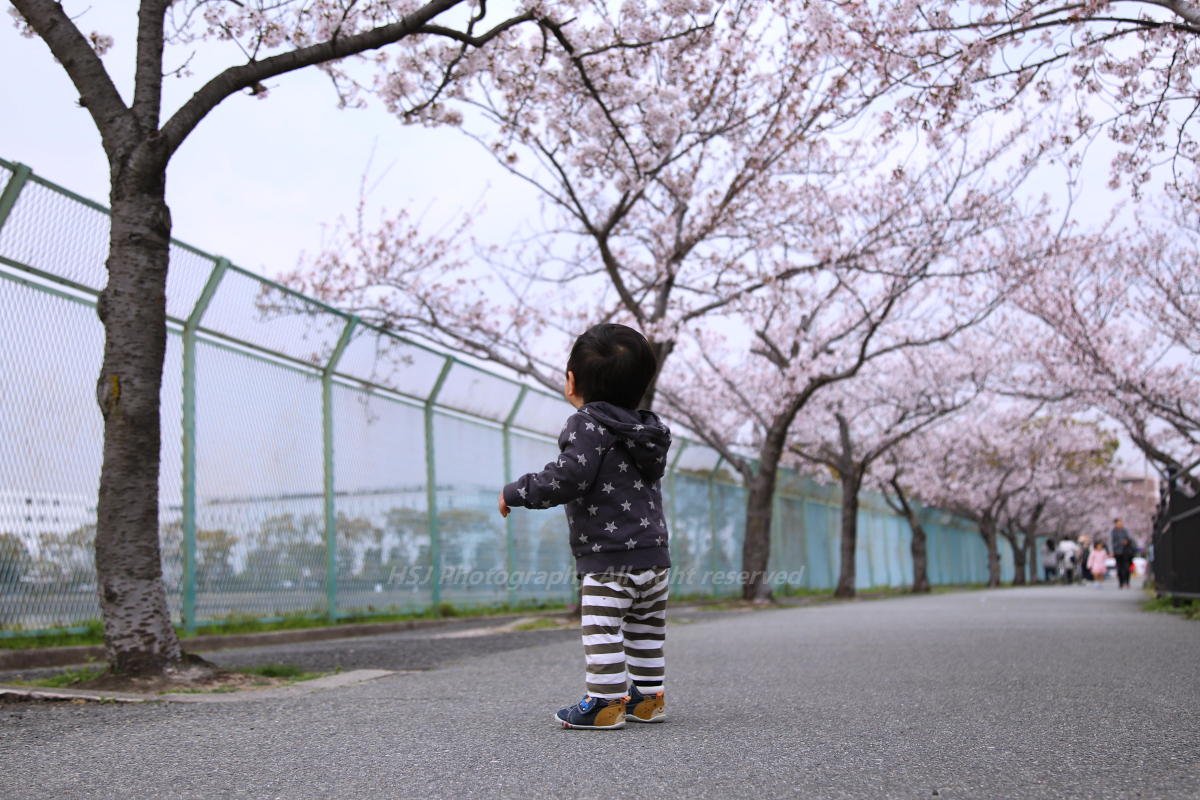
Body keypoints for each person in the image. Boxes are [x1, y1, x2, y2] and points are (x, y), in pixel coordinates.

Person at [499, 323, 672, 730]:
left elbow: (569, 476)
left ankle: (605, 703)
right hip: (655, 557)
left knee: (602, 628)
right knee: (645, 630)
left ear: (572, 381)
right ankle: (649, 700)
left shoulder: (586, 423)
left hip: (608, 558)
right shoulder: (649, 432)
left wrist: (517, 491)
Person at [1110, 519, 1136, 589]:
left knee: (1127, 567)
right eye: (1118, 523)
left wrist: (1127, 542)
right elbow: (1110, 542)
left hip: (1126, 552)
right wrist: (1112, 551)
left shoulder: (1125, 531)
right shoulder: (1113, 532)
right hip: (1117, 552)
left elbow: (1130, 540)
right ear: (1115, 524)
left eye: (1121, 523)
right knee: (1119, 568)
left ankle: (1127, 582)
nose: (1120, 524)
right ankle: (1121, 582)